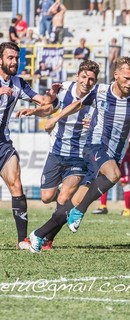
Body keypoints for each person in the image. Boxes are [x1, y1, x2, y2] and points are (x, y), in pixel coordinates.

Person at [28, 56, 130, 253]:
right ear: (115, 75)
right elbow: (77, 104)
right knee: (114, 175)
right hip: (94, 147)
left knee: (73, 203)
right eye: (126, 78)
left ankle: (39, 235)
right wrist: (54, 119)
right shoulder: (101, 92)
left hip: (113, 155)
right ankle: (80, 212)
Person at [17, 60, 100, 250]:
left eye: (91, 80)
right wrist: (34, 111)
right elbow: (49, 108)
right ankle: (67, 209)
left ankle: (48, 237)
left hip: (79, 156)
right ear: (78, 76)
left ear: (95, 82)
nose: (87, 82)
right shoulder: (64, 90)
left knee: (63, 199)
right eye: (84, 77)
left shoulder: (97, 98)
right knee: (46, 197)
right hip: (56, 152)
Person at [0, 42, 58, 249]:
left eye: (16, 58)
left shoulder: (19, 83)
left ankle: (22, 240)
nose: (14, 61)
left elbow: (43, 101)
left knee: (16, 184)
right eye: (10, 58)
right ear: (0, 60)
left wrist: (51, 95)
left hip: (2, 143)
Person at [92, 132, 130, 216]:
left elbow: (127, 143)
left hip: (123, 158)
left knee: (124, 182)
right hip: (111, 157)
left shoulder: (128, 128)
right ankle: (103, 206)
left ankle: (127, 210)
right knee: (105, 179)